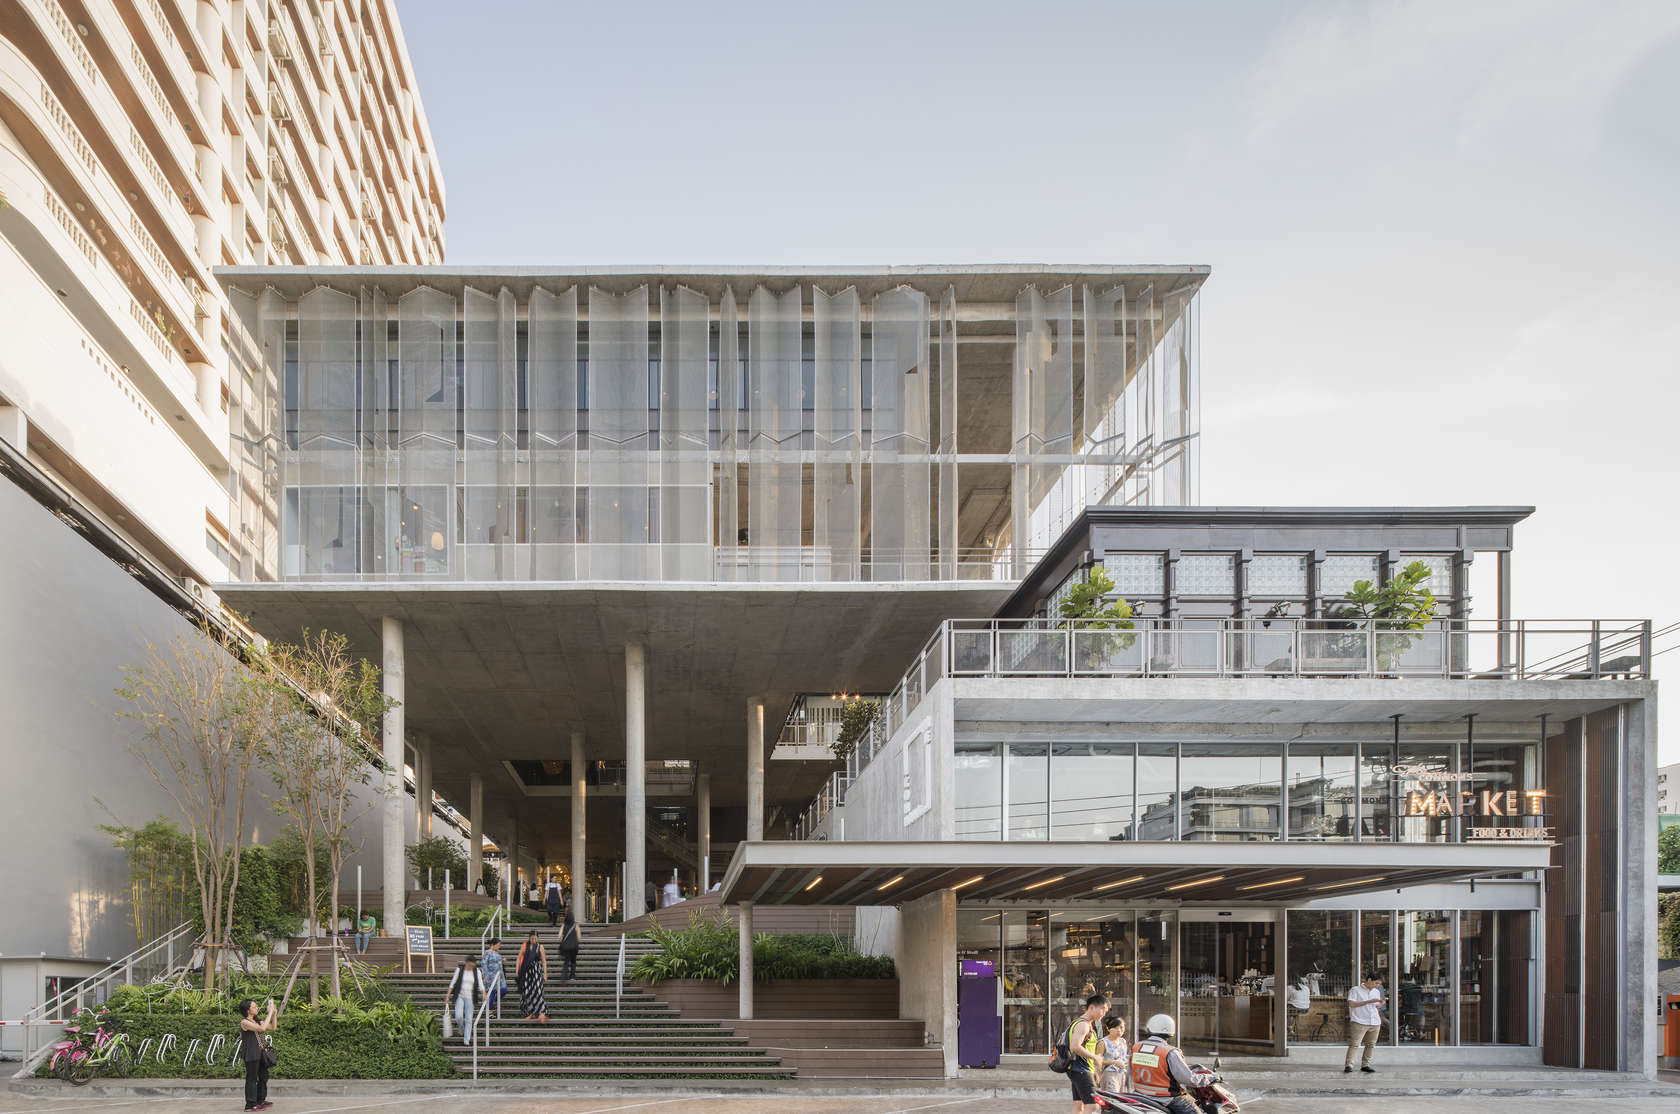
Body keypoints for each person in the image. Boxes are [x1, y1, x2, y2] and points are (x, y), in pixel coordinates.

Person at [1129, 1014, 1215, 1114]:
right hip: (1167, 1099)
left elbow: (1130, 1071)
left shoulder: (1136, 1047)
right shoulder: (1170, 1052)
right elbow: (1189, 1079)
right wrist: (1211, 1078)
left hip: (1140, 1095)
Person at [1062, 992, 1108, 1113]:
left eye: (1106, 1011)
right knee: (1093, 1105)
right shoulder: (1083, 1025)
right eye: (1102, 1009)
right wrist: (1094, 1057)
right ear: (1091, 1007)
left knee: (1079, 1104)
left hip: (1077, 1069)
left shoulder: (1082, 1023)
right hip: (1081, 1069)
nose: (1104, 1013)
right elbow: (1075, 1047)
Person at [236, 997, 277, 1112]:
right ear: (248, 1010)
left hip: (261, 1054)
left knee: (263, 1077)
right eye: (254, 1007)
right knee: (252, 1079)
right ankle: (250, 1105)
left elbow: (273, 1027)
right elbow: (262, 1029)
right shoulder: (244, 1022)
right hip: (251, 1054)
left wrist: (274, 1014)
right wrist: (269, 1013)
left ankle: (260, 1100)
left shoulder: (257, 1021)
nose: (257, 1008)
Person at [1345, 972, 1385, 1073]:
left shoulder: (1376, 992)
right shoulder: (1355, 990)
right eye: (1376, 983)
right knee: (1355, 1044)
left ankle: (1365, 1065)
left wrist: (1381, 1003)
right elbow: (1351, 1004)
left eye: (1379, 984)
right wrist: (1368, 1001)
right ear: (1369, 980)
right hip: (1359, 1020)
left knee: (1371, 1045)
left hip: (1374, 1021)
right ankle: (1349, 1065)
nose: (1377, 985)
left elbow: (1375, 1006)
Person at [444, 955, 487, 1044]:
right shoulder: (459, 970)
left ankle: (466, 1040)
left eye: (473, 965)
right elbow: (452, 983)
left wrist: (483, 994)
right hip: (460, 996)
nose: (471, 967)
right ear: (466, 962)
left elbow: (481, 984)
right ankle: (461, 1028)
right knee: (458, 1016)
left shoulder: (477, 971)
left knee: (468, 1019)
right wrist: (448, 995)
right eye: (470, 965)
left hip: (470, 997)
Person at [516, 930, 548, 1023]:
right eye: (532, 938)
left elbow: (544, 962)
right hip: (526, 972)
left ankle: (542, 1012)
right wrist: (517, 971)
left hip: (536, 972)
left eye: (535, 938)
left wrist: (545, 974)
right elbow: (518, 958)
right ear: (529, 938)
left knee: (538, 991)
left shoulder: (540, 947)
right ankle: (531, 1013)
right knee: (528, 992)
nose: (534, 940)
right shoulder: (524, 945)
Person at [1098, 1015, 1129, 1094]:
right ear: (1108, 1029)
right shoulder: (1103, 1042)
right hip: (1109, 1074)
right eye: (1115, 1028)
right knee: (1112, 1097)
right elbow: (1097, 1061)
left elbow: (1124, 1057)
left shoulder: (1123, 1041)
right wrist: (1114, 1062)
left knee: (1122, 1098)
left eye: (1121, 1027)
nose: (1119, 1030)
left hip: (1122, 1074)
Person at [480, 938, 506, 1013]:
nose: (499, 947)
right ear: (492, 945)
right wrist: (486, 976)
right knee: (491, 992)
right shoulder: (487, 953)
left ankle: (495, 1001)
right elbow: (484, 964)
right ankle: (490, 1011)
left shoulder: (498, 954)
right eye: (498, 945)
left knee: (504, 990)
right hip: (490, 977)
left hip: (500, 977)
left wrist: (502, 961)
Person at [557, 910, 580, 980]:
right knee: (573, 961)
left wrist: (563, 939)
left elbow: (559, 936)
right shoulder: (576, 925)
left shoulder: (563, 925)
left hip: (566, 947)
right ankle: (572, 976)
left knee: (566, 961)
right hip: (574, 947)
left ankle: (564, 975)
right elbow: (579, 937)